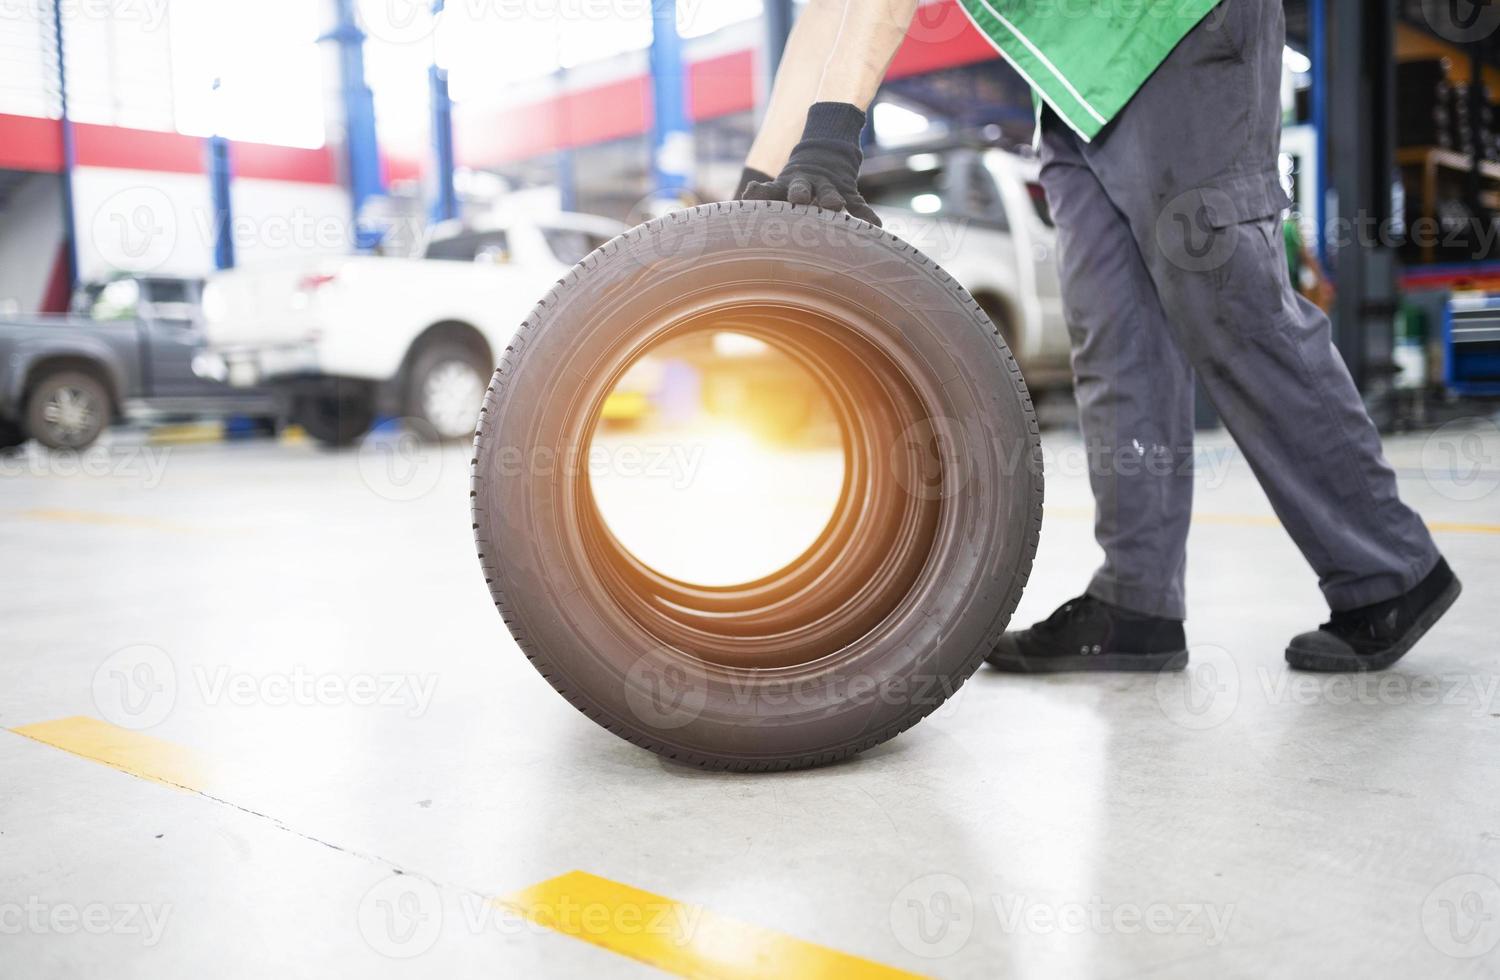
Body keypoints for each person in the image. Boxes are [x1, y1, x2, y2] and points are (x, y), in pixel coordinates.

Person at [736, 0, 1459, 673]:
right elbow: (828, 18)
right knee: (1116, 340)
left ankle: (1389, 572)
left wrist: (832, 142)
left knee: (1231, 310)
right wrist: (751, 197)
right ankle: (1137, 601)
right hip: (1075, 83)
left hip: (1171, 27)